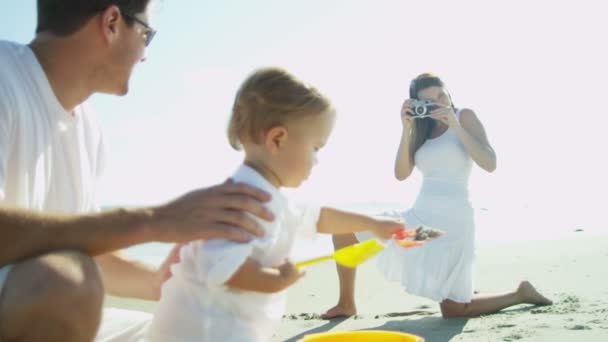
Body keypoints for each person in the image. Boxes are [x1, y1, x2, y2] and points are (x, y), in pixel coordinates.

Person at [0, 1, 276, 341]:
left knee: (203, 332)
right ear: (112, 22)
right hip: (35, 302)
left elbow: (84, 245)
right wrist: (156, 220)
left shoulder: (88, 125)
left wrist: (168, 280)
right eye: (147, 34)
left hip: (47, 310)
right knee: (66, 282)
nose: (145, 54)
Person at [146, 67, 407, 342]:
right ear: (277, 139)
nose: (317, 160)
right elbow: (225, 268)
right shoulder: (242, 202)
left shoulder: (270, 197)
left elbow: (320, 219)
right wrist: (278, 279)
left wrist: (373, 224)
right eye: (315, 148)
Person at [321, 73, 552, 319]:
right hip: (420, 223)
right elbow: (401, 174)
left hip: (452, 225)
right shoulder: (422, 128)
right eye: (430, 102)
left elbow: (490, 163)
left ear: (448, 92)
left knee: (454, 310)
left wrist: (455, 125)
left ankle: (519, 294)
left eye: (441, 95)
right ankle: (346, 304)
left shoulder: (465, 116)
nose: (439, 103)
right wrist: (406, 128)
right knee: (344, 231)